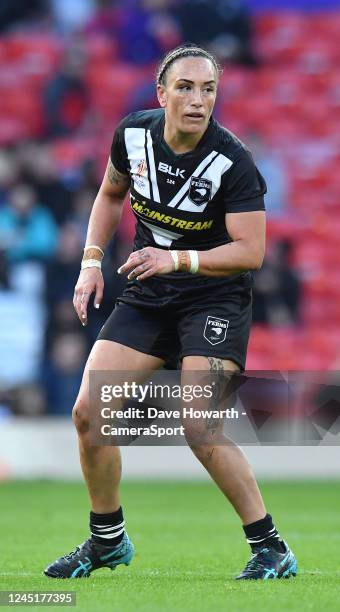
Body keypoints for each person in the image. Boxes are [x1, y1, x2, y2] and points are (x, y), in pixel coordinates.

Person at [44, 44, 297, 581]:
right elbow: (111, 193)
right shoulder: (133, 134)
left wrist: (175, 257)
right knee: (89, 413)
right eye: (185, 86)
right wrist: (92, 262)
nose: (197, 99)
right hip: (149, 291)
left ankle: (271, 546)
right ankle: (107, 539)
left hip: (215, 297)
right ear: (162, 94)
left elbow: (250, 251)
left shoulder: (233, 161)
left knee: (198, 424)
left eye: (208, 89)